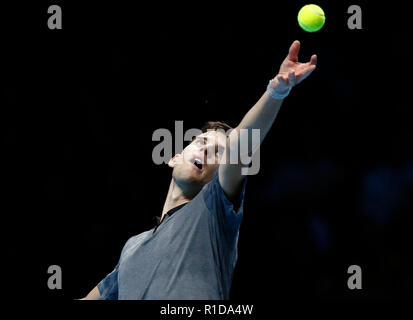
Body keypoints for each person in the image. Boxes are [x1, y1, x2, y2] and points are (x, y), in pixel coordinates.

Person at [81, 40, 317, 300]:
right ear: (174, 158)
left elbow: (240, 147)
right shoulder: (131, 248)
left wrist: (276, 92)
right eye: (202, 143)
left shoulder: (214, 209)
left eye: (218, 153)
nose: (206, 151)